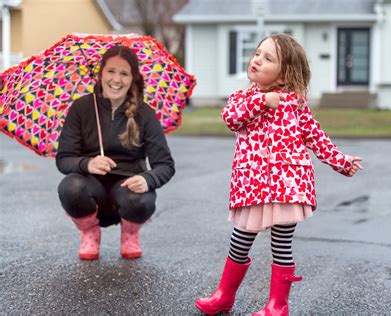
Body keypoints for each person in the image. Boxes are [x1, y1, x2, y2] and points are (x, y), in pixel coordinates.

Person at [195, 34, 363, 315]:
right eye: (257, 53)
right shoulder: (243, 98)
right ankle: (223, 296)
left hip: (288, 186)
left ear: (284, 75)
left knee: (282, 244)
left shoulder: (295, 105)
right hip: (252, 186)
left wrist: (341, 161)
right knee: (240, 239)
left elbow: (316, 137)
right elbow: (231, 118)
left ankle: (277, 305)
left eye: (268, 58)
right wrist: (263, 101)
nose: (257, 60)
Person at [56, 45, 175, 260]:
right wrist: (87, 164)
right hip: (90, 189)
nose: (116, 79)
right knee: (70, 186)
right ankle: (89, 232)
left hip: (128, 189)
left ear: (132, 78)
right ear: (100, 73)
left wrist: (147, 179)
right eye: (111, 71)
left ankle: (130, 234)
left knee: (140, 200)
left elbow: (165, 165)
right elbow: (64, 159)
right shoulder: (81, 108)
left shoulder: (144, 114)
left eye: (124, 73)